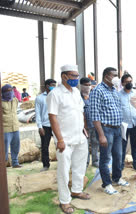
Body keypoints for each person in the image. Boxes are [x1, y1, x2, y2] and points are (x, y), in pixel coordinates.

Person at [47, 64, 90, 214]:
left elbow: (81, 112)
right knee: (64, 172)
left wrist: (84, 129)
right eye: (73, 76)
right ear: (64, 76)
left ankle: (77, 190)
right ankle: (64, 201)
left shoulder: (76, 92)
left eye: (77, 76)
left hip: (80, 137)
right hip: (64, 140)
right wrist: (59, 139)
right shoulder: (55, 94)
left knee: (80, 167)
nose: (76, 79)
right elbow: (52, 117)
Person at [90, 67, 129, 195]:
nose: (117, 78)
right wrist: (101, 135)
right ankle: (107, 184)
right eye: (114, 75)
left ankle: (117, 178)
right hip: (106, 129)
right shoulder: (98, 91)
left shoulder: (114, 90)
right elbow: (95, 115)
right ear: (107, 76)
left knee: (118, 156)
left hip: (117, 129)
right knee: (105, 158)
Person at [119, 73, 136, 173]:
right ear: (122, 83)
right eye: (126, 82)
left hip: (135, 123)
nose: (129, 83)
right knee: (122, 146)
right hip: (123, 125)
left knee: (135, 145)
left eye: (130, 81)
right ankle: (120, 165)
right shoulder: (118, 95)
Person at [35, 79, 56, 172]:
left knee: (60, 143)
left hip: (56, 124)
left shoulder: (56, 96)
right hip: (45, 125)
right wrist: (40, 127)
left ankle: (63, 163)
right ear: (47, 86)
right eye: (52, 85)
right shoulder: (40, 98)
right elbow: (38, 113)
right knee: (45, 146)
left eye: (55, 85)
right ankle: (46, 165)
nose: (54, 87)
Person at [80, 77, 99, 168]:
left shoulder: (93, 96)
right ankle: (86, 162)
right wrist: (84, 126)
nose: (88, 87)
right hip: (84, 126)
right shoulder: (78, 97)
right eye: (86, 85)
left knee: (95, 143)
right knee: (85, 145)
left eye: (89, 85)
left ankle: (95, 161)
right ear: (81, 86)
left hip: (94, 124)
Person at [2, 84, 22, 168]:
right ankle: (4, 163)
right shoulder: (1, 101)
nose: (9, 92)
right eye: (7, 91)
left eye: (11, 90)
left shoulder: (15, 100)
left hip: (15, 127)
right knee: (4, 147)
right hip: (5, 128)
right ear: (3, 92)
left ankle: (15, 163)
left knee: (16, 145)